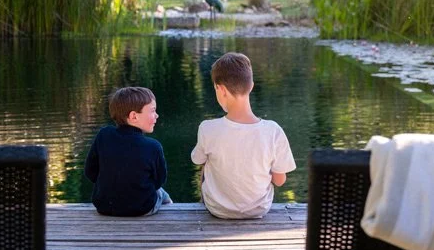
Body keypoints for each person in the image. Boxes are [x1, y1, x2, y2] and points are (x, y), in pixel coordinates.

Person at [191, 52, 295, 219]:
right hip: (259, 210)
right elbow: (280, 180)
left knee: (206, 162)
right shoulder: (273, 130)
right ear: (251, 86)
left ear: (221, 89)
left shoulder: (207, 128)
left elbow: (197, 160)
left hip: (218, 210)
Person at [84, 86, 172, 217]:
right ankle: (172, 212)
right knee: (162, 194)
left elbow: (90, 172)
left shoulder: (104, 135)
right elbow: (159, 181)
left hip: (104, 206)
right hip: (141, 208)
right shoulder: (153, 146)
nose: (157, 115)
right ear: (134, 116)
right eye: (153, 111)